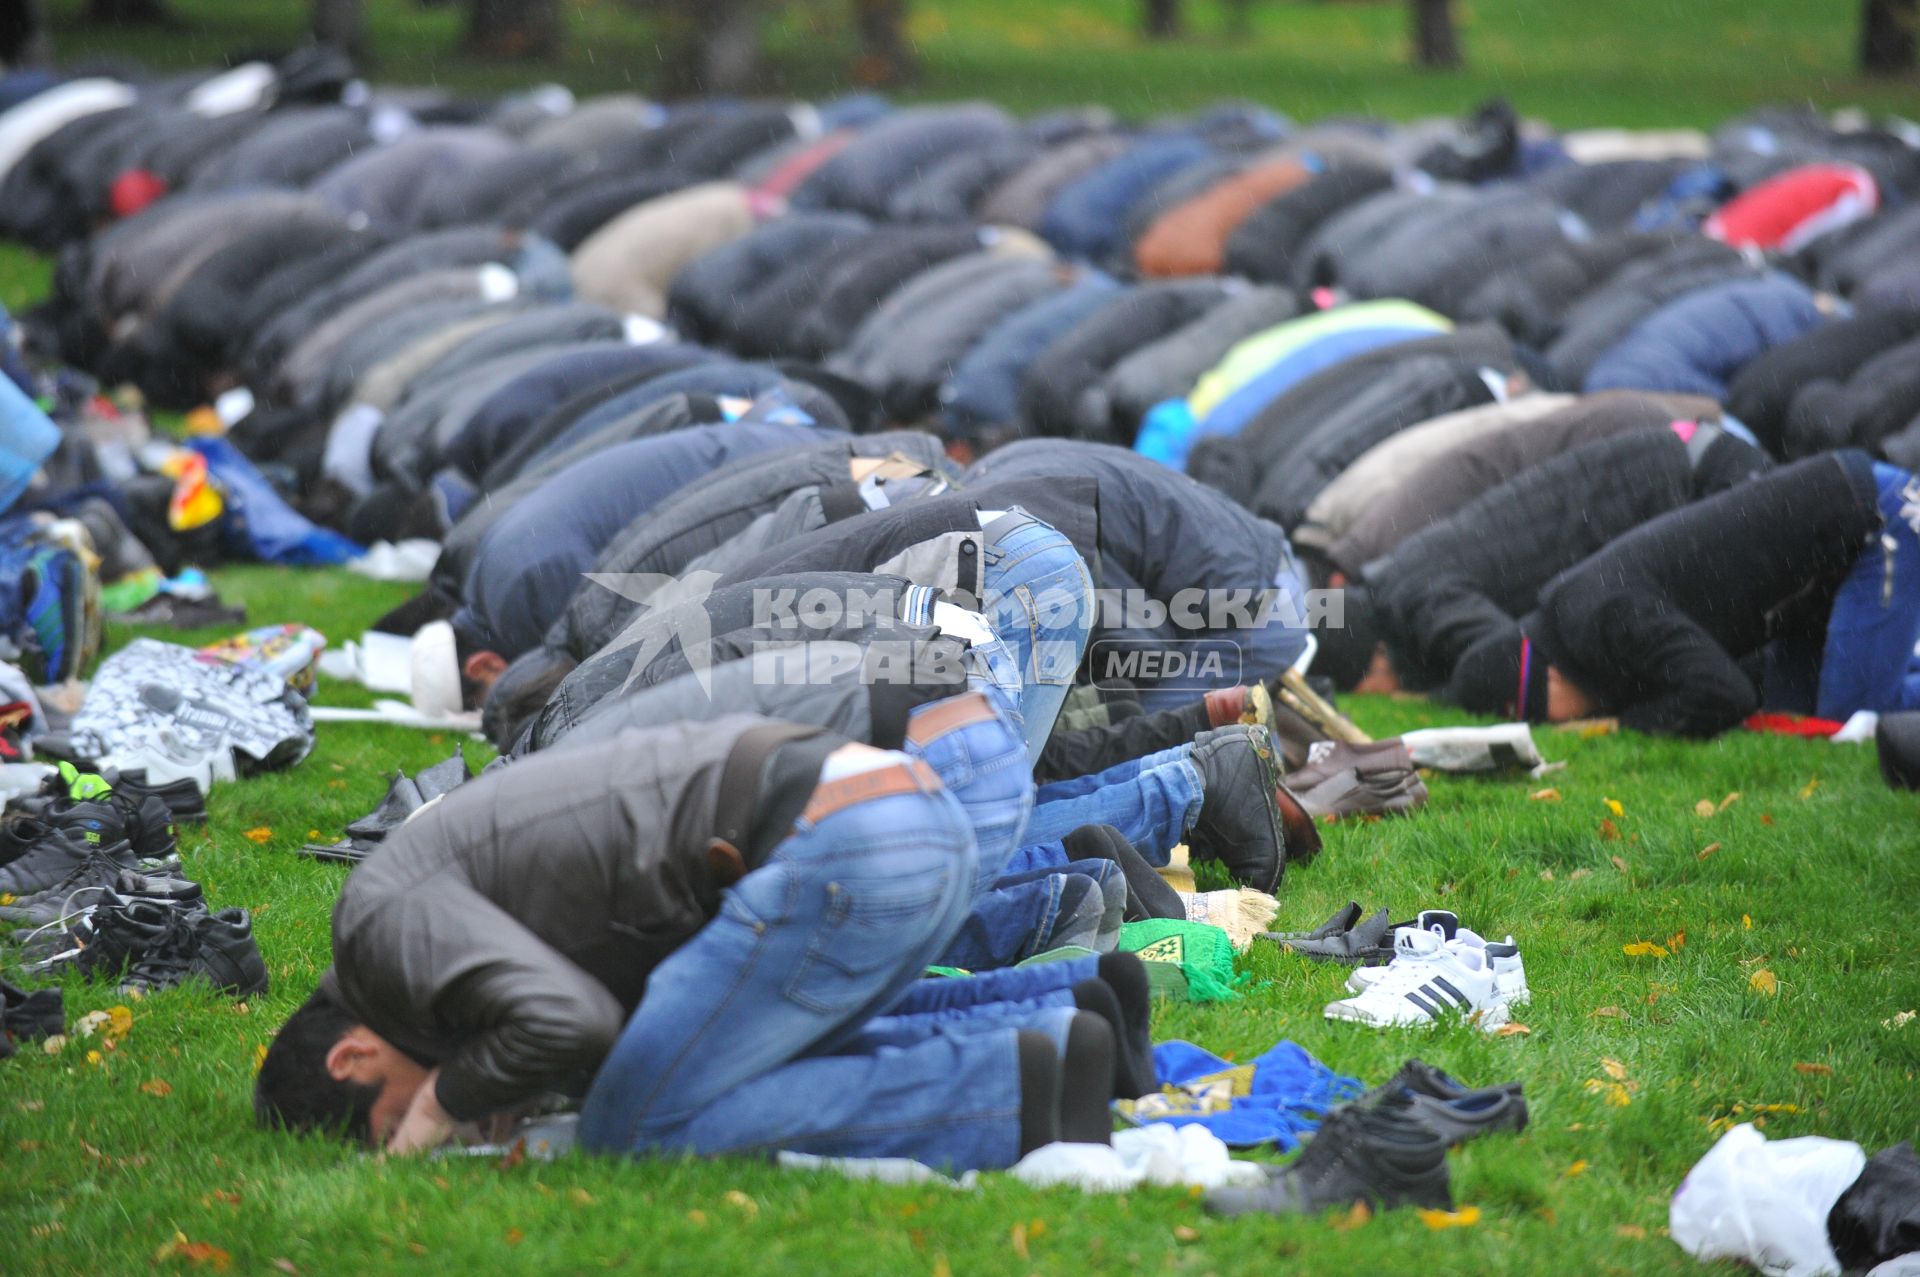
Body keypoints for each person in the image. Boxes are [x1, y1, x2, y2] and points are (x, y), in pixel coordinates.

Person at [254, 714, 1142, 1166]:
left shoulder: (375, 930)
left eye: (388, 1118)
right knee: (733, 1056)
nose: (422, 1131)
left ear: (352, 1056)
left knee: (636, 1124)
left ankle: (1007, 1092)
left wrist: (445, 1100)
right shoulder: (413, 944)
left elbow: (573, 1022)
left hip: (841, 841)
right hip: (899, 812)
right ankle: (1067, 1016)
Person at [1445, 451, 1918, 737]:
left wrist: (1623, 726)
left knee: (1849, 722)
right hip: (1820, 569)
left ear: (1541, 686)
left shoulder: (1603, 615)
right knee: (1794, 718)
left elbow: (1720, 693)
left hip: (1874, 520)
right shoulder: (1578, 620)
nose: (1559, 728)